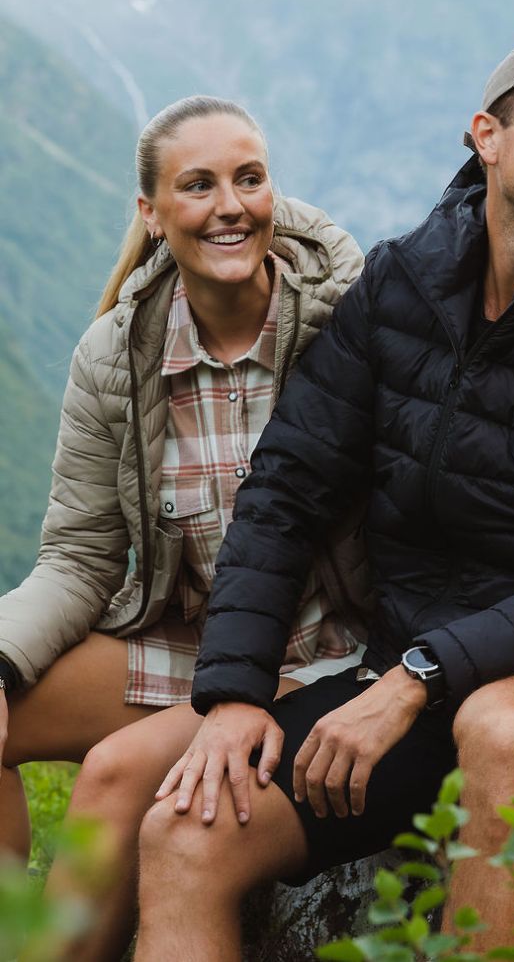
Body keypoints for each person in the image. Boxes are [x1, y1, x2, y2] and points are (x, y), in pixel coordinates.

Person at [132, 32, 514, 961]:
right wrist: (232, 693)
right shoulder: (401, 285)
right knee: (186, 831)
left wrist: (416, 676)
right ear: (487, 136)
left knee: (502, 726)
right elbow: (288, 487)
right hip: (416, 675)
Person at [0, 95, 367, 961]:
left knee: (116, 775)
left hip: (321, 654)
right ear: (152, 213)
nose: (230, 206)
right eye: (198, 185)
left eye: (249, 179)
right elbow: (80, 555)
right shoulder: (117, 354)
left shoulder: (344, 324)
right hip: (189, 641)